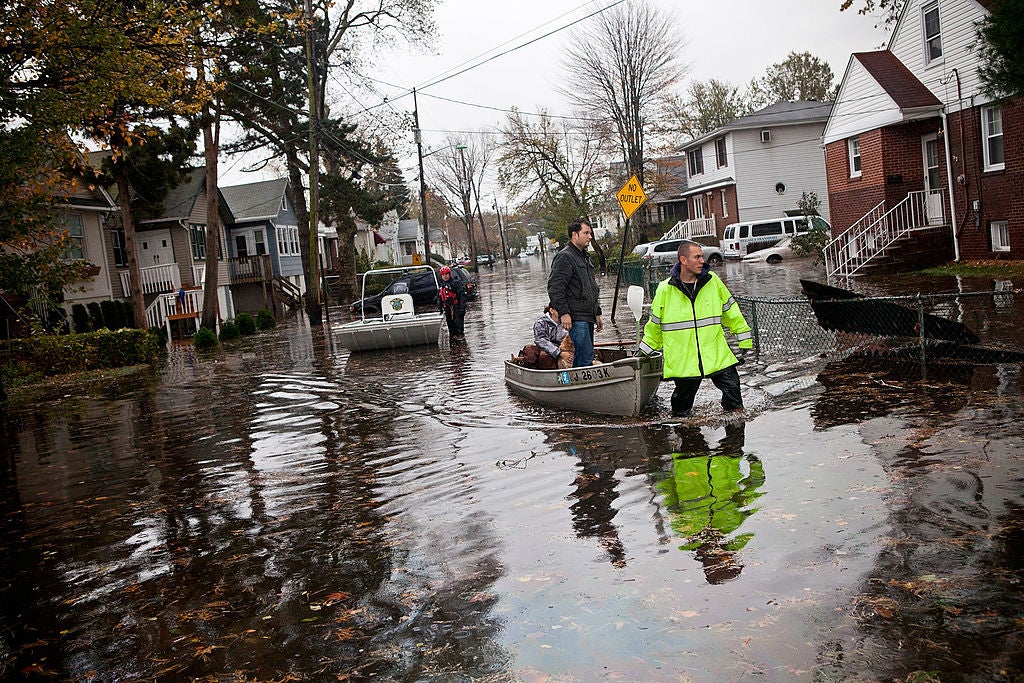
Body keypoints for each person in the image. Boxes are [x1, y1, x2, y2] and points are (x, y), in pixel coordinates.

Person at [639, 241, 752, 417]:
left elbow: (731, 312)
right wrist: (644, 351)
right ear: (683, 260)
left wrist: (744, 339)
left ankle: (735, 439)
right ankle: (684, 432)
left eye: (701, 256)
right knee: (681, 409)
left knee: (734, 396)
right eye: (697, 257)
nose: (702, 261)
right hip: (684, 360)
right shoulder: (665, 290)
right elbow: (655, 326)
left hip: (716, 354)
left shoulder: (713, 282)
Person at [546, 218, 603, 367]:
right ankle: (583, 389)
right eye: (586, 233)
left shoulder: (584, 257)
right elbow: (555, 288)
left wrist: (597, 312)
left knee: (585, 357)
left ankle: (577, 386)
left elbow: (592, 288)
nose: (590, 237)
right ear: (574, 235)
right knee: (585, 358)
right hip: (577, 318)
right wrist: (564, 313)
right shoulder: (565, 257)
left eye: (590, 233)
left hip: (588, 315)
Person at [533, 303, 574, 369]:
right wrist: (560, 353)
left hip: (564, 348)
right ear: (551, 310)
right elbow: (541, 341)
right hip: (548, 350)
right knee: (544, 356)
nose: (563, 312)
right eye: (560, 310)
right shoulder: (540, 323)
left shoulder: (567, 321)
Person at [435, 265, 467, 341]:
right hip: (447, 307)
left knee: (458, 322)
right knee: (450, 324)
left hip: (456, 307)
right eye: (443, 275)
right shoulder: (441, 286)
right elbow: (439, 297)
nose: (445, 276)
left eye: (446, 274)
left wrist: (462, 308)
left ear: (449, 274)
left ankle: (461, 337)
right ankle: (453, 338)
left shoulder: (456, 283)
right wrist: (440, 308)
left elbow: (462, 296)